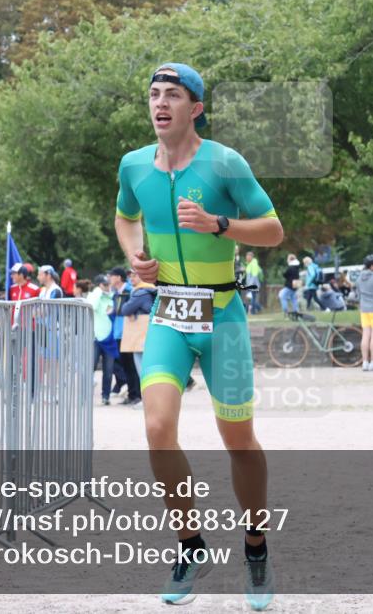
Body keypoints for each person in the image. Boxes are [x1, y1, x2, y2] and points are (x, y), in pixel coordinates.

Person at [113, 63, 282, 609]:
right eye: (154, 95)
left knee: (239, 442)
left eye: (173, 96)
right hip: (168, 315)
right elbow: (124, 216)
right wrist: (135, 256)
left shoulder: (224, 163)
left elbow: (275, 231)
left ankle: (255, 547)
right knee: (157, 428)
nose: (160, 103)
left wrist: (220, 225)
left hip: (223, 316)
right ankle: (190, 545)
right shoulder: (134, 165)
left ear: (196, 107)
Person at [120, 269, 157, 400]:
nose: (131, 278)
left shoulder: (140, 292)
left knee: (142, 369)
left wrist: (131, 311)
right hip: (153, 334)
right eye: (130, 275)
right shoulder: (153, 290)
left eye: (135, 275)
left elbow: (124, 309)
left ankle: (148, 400)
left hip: (140, 335)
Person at [109, 266, 141, 406]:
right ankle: (131, 394)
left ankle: (137, 395)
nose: (110, 278)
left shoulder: (130, 291)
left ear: (118, 277)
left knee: (132, 365)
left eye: (112, 275)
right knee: (126, 365)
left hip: (129, 332)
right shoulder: (116, 293)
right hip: (118, 333)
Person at [87, 275, 118, 405]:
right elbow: (92, 306)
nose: (107, 287)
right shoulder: (94, 296)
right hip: (95, 338)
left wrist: (107, 293)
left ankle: (106, 396)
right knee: (90, 368)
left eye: (108, 284)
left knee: (108, 370)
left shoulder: (112, 297)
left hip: (109, 338)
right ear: (99, 285)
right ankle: (86, 396)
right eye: (104, 285)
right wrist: (99, 292)